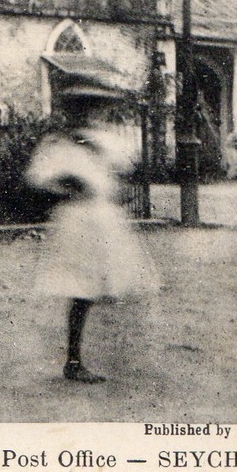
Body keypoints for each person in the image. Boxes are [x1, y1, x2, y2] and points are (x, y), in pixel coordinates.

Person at [26, 122, 158, 383]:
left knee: (112, 284)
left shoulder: (104, 138)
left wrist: (112, 179)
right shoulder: (60, 143)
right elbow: (37, 179)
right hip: (78, 219)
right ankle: (74, 361)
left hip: (105, 218)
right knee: (82, 289)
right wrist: (66, 183)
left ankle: (115, 356)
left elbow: (124, 167)